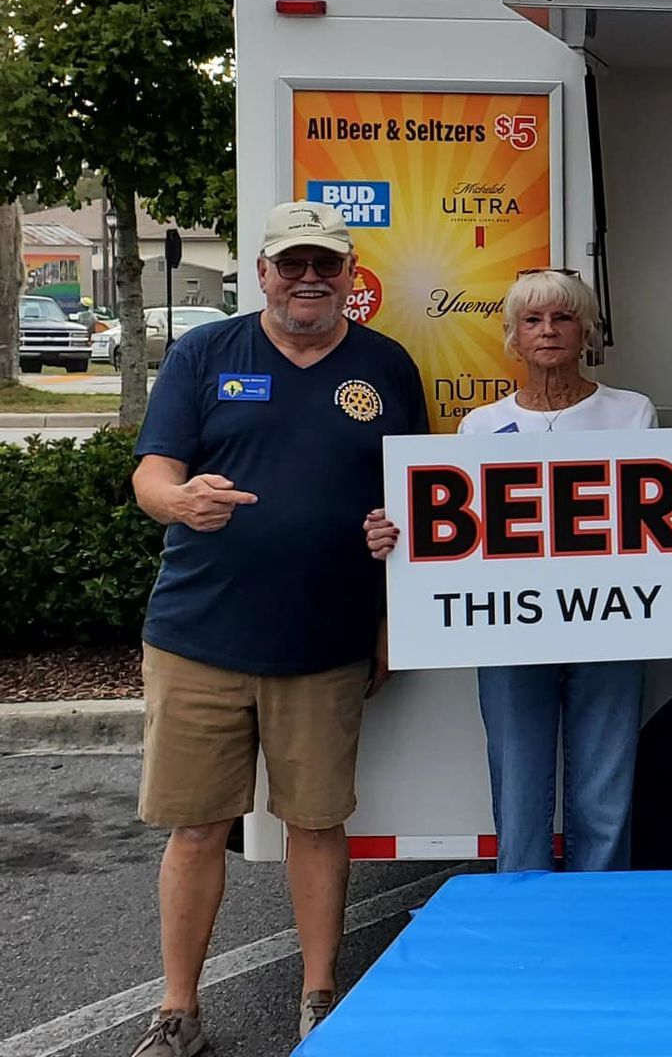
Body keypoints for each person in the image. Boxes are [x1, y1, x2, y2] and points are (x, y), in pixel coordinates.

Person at [126, 202, 428, 1056]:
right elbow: (153, 471)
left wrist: (390, 592)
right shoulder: (205, 354)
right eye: (290, 263)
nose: (308, 279)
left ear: (348, 274)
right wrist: (178, 501)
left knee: (317, 824)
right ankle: (178, 1013)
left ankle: (320, 999)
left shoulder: (386, 367)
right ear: (261, 271)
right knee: (196, 828)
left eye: (324, 265)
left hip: (325, 642)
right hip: (198, 638)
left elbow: (418, 499)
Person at [364, 269, 672, 873]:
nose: (548, 331)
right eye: (533, 320)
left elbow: (656, 513)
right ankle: (522, 913)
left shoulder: (631, 414)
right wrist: (398, 535)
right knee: (517, 782)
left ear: (586, 332)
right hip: (508, 630)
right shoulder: (478, 426)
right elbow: (453, 528)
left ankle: (597, 907)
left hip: (612, 625)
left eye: (563, 318)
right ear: (513, 339)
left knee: (605, 785)